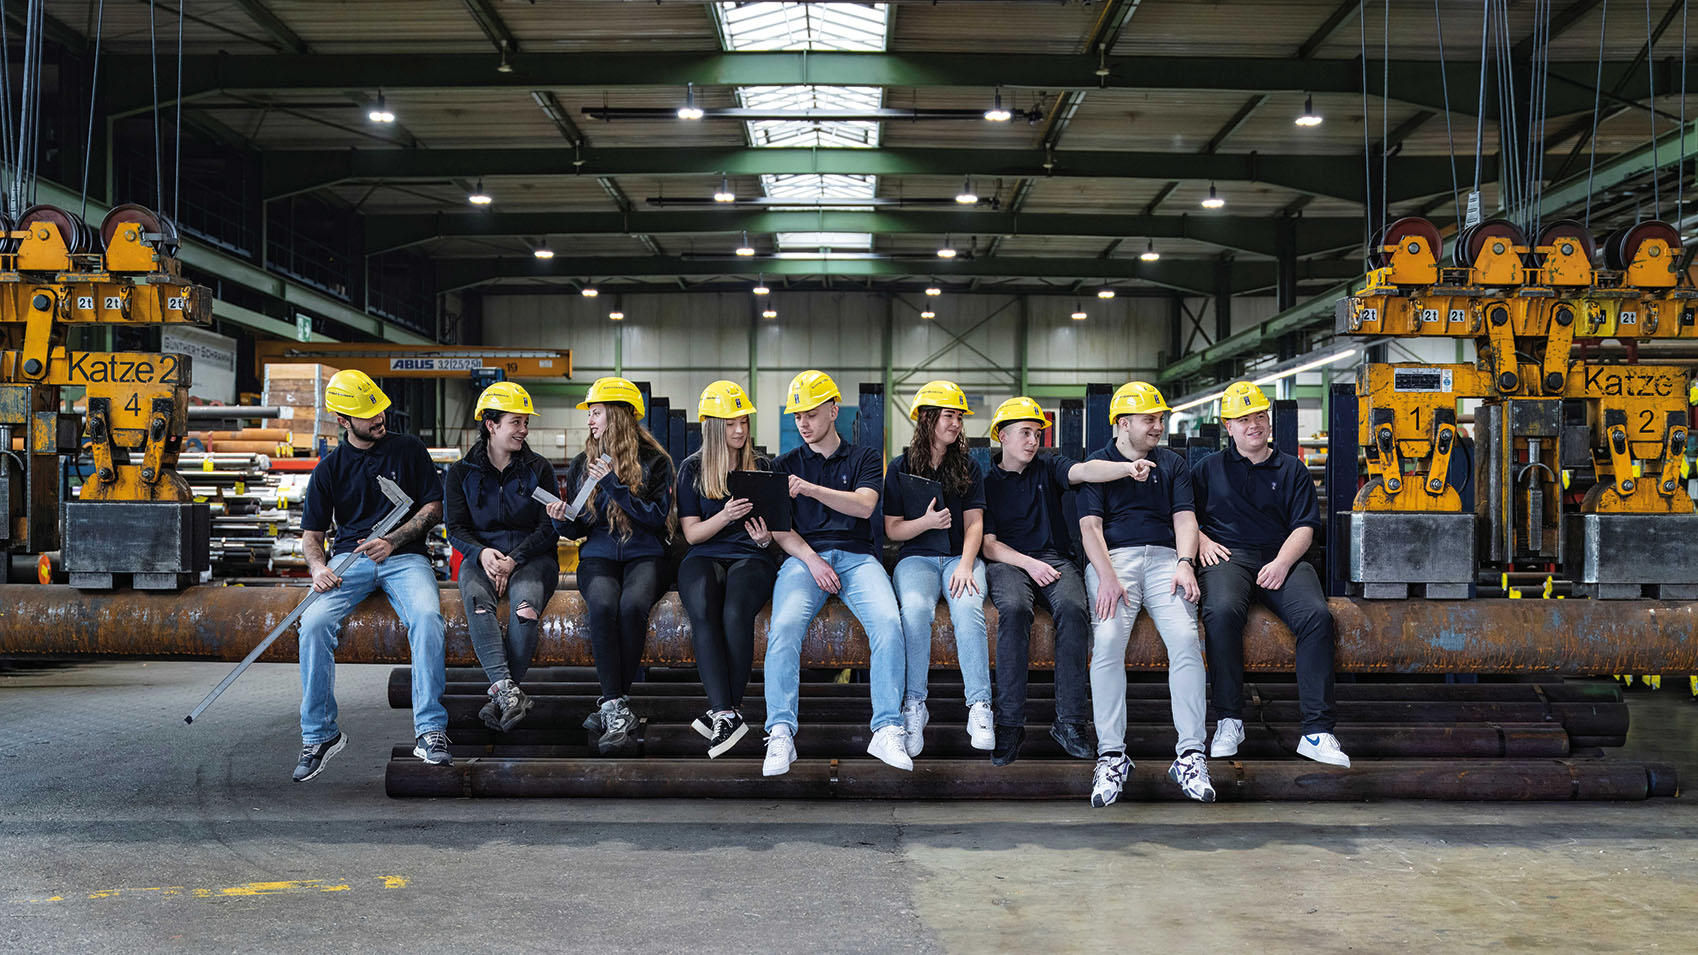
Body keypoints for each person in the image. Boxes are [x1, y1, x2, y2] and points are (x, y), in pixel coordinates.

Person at [979, 396, 1155, 766]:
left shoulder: (1050, 466)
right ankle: (1009, 723)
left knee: (1075, 609)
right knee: (1012, 609)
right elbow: (989, 545)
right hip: (1011, 562)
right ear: (1002, 437)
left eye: (1037, 433)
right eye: (1025, 433)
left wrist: (1127, 469)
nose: (1033, 441)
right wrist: (1028, 564)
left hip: (1056, 559)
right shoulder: (987, 483)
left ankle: (1070, 721)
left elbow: (1085, 472)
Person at [293, 369, 449, 782]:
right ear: (343, 421)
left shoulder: (409, 450)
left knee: (428, 619)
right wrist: (318, 566)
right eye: (367, 414)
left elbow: (433, 508)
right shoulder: (328, 470)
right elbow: (311, 536)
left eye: (379, 409)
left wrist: (394, 541)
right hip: (349, 559)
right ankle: (320, 734)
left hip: (404, 557)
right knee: (312, 623)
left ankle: (431, 730)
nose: (379, 418)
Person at [761, 370, 911, 776]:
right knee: (784, 627)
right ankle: (779, 731)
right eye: (797, 417)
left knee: (888, 623)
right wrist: (813, 561)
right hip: (804, 559)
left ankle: (887, 727)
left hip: (859, 558)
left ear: (833, 410)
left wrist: (810, 490)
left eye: (810, 413)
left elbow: (864, 506)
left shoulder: (863, 458)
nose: (803, 424)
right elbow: (780, 529)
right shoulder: (784, 465)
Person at [1193, 381, 1349, 768]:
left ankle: (1317, 732)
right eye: (1243, 419)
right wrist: (1200, 542)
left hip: (1282, 556)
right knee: (1221, 612)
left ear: (1269, 421)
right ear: (1228, 426)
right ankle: (1229, 719)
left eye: (1259, 416)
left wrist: (1281, 563)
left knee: (1316, 617)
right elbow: (1181, 516)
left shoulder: (1293, 468)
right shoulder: (1207, 469)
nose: (1254, 425)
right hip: (1227, 556)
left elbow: (1305, 527)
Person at [1077, 381, 1213, 807]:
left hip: (1165, 562)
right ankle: (1111, 756)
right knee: (1107, 642)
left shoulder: (1172, 464)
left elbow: (1185, 519)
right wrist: (1108, 578)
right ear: (1122, 423)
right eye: (1150, 419)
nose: (1158, 426)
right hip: (1112, 561)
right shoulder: (1099, 465)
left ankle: (1191, 754)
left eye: (1160, 419)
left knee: (1188, 641)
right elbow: (1090, 528)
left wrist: (1185, 562)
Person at [545, 376, 676, 755]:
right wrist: (560, 518)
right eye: (590, 413)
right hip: (599, 555)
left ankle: (611, 703)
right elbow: (581, 526)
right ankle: (616, 703)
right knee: (602, 605)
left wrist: (616, 486)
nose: (590, 420)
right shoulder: (581, 464)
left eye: (596, 412)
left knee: (632, 606)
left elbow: (656, 518)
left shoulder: (656, 462)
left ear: (618, 416)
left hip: (645, 554)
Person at [883, 380, 993, 756]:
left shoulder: (968, 467)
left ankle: (979, 705)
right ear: (927, 419)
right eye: (949, 415)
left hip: (960, 558)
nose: (957, 423)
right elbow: (893, 529)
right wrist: (926, 524)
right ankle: (914, 705)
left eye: (960, 417)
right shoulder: (900, 468)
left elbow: (975, 522)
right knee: (914, 611)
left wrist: (966, 564)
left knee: (967, 607)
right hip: (917, 559)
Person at [443, 381, 559, 734]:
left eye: (526, 423)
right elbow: (456, 528)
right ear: (491, 425)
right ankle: (509, 692)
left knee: (525, 610)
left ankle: (502, 695)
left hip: (533, 556)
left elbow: (548, 527)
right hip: (483, 558)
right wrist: (482, 554)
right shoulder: (461, 473)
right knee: (479, 603)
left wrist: (515, 559)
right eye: (516, 422)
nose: (524, 430)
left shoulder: (538, 469)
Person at [675, 380, 777, 757]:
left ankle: (725, 710)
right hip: (704, 553)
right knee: (702, 609)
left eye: (743, 423)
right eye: (730, 424)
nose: (739, 431)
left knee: (736, 611)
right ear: (713, 427)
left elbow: (778, 530)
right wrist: (724, 515)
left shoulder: (763, 467)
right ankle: (726, 711)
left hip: (752, 554)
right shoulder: (691, 470)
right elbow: (692, 534)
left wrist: (766, 539)